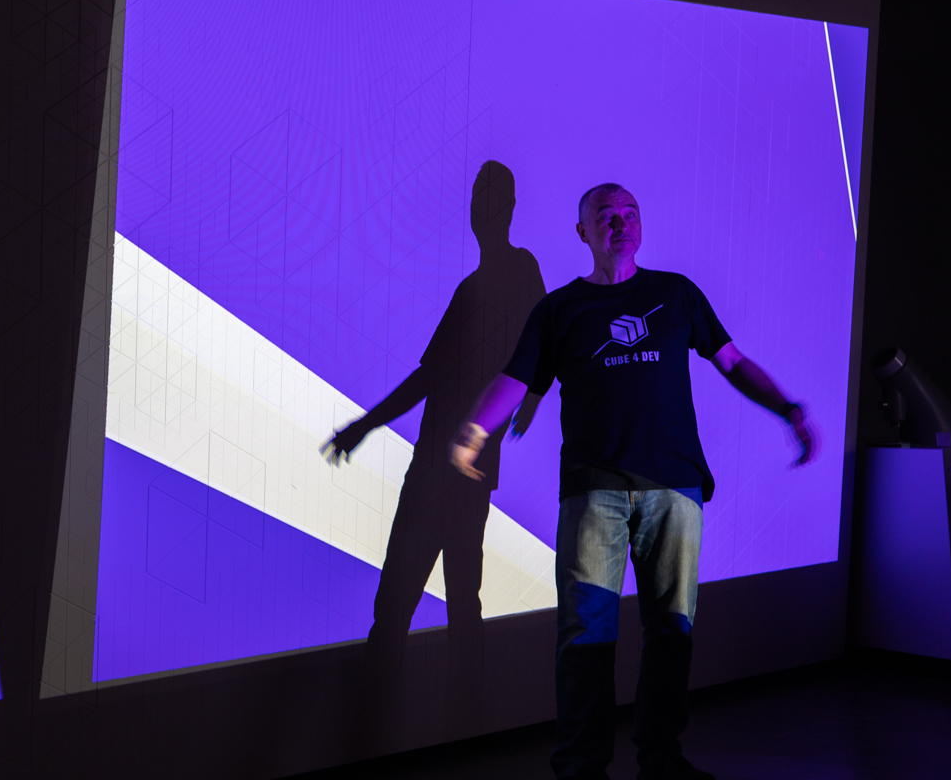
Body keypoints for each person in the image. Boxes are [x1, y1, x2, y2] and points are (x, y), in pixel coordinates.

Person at [450, 183, 815, 780]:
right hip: (594, 489)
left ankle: (661, 761)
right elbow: (515, 380)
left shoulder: (675, 294)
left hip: (674, 485)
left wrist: (788, 409)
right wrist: (473, 430)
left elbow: (733, 362)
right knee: (585, 634)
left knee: (671, 631)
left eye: (630, 214)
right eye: (606, 216)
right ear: (583, 232)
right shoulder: (559, 310)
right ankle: (581, 767)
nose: (620, 224)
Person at [323, 160, 547, 735]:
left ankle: (422, 728)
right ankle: (415, 727)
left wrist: (533, 395)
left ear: (505, 209)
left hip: (450, 474)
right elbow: (433, 375)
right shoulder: (475, 288)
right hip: (439, 469)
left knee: (428, 605)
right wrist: (367, 425)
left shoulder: (516, 272)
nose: (480, 209)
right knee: (428, 605)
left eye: (488, 199)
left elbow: (540, 344)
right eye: (478, 198)